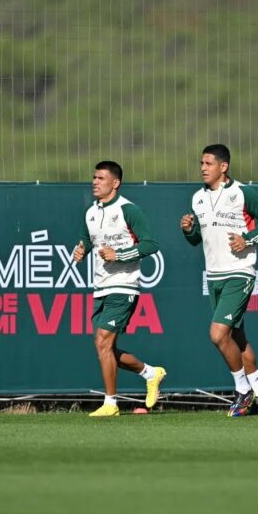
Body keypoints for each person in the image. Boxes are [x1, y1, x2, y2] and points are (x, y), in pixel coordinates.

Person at [181, 144, 258, 417]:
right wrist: (189, 230)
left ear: (223, 167)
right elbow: (197, 240)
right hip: (213, 275)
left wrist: (247, 238)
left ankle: (243, 391)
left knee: (217, 334)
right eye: (201, 163)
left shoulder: (241, 193)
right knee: (237, 337)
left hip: (239, 272)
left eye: (208, 163)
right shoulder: (197, 198)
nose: (203, 168)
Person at [73, 161, 166, 417]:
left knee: (103, 342)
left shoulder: (129, 210)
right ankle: (150, 372)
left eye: (101, 178)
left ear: (115, 183)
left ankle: (111, 404)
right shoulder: (90, 213)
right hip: (100, 286)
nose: (95, 182)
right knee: (106, 349)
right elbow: (86, 240)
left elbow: (151, 244)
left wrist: (120, 254)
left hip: (124, 285)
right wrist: (81, 249)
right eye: (94, 177)